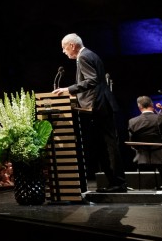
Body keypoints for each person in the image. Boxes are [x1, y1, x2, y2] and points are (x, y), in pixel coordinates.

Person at [52, 33, 127, 193]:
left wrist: (68, 89)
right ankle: (116, 182)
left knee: (108, 145)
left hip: (99, 105)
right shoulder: (90, 54)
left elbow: (92, 80)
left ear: (72, 45)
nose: (64, 52)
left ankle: (117, 183)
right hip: (102, 104)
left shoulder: (83, 57)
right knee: (106, 145)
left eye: (64, 48)